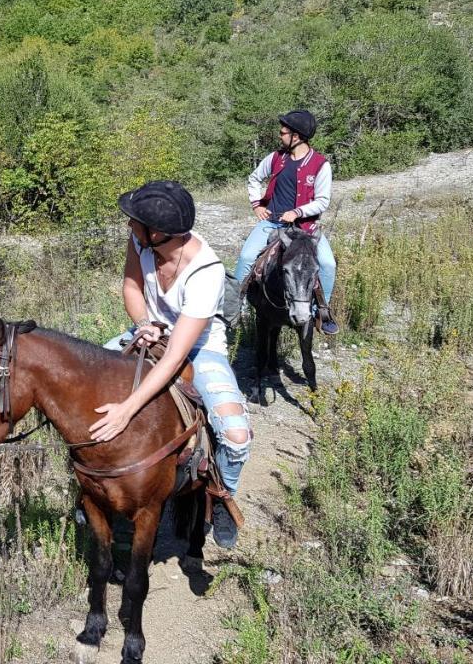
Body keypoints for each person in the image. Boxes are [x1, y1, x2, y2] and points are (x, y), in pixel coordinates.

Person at [94, 180, 251, 549]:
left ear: (159, 231)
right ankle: (89, 487)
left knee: (235, 435)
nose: (129, 226)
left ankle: (221, 493)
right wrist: (146, 322)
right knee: (86, 380)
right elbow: (132, 287)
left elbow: (177, 356)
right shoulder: (141, 240)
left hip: (198, 349)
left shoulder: (205, 271)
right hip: (150, 332)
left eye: (135, 222)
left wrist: (127, 409)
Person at [233, 110, 339, 334]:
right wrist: (257, 205)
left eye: (283, 132)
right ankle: (235, 308)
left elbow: (323, 201)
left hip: (305, 229)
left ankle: (322, 311)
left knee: (328, 264)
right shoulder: (275, 158)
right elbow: (253, 179)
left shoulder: (321, 165)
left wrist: (298, 212)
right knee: (246, 257)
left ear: (297, 136)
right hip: (272, 223)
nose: (280, 136)